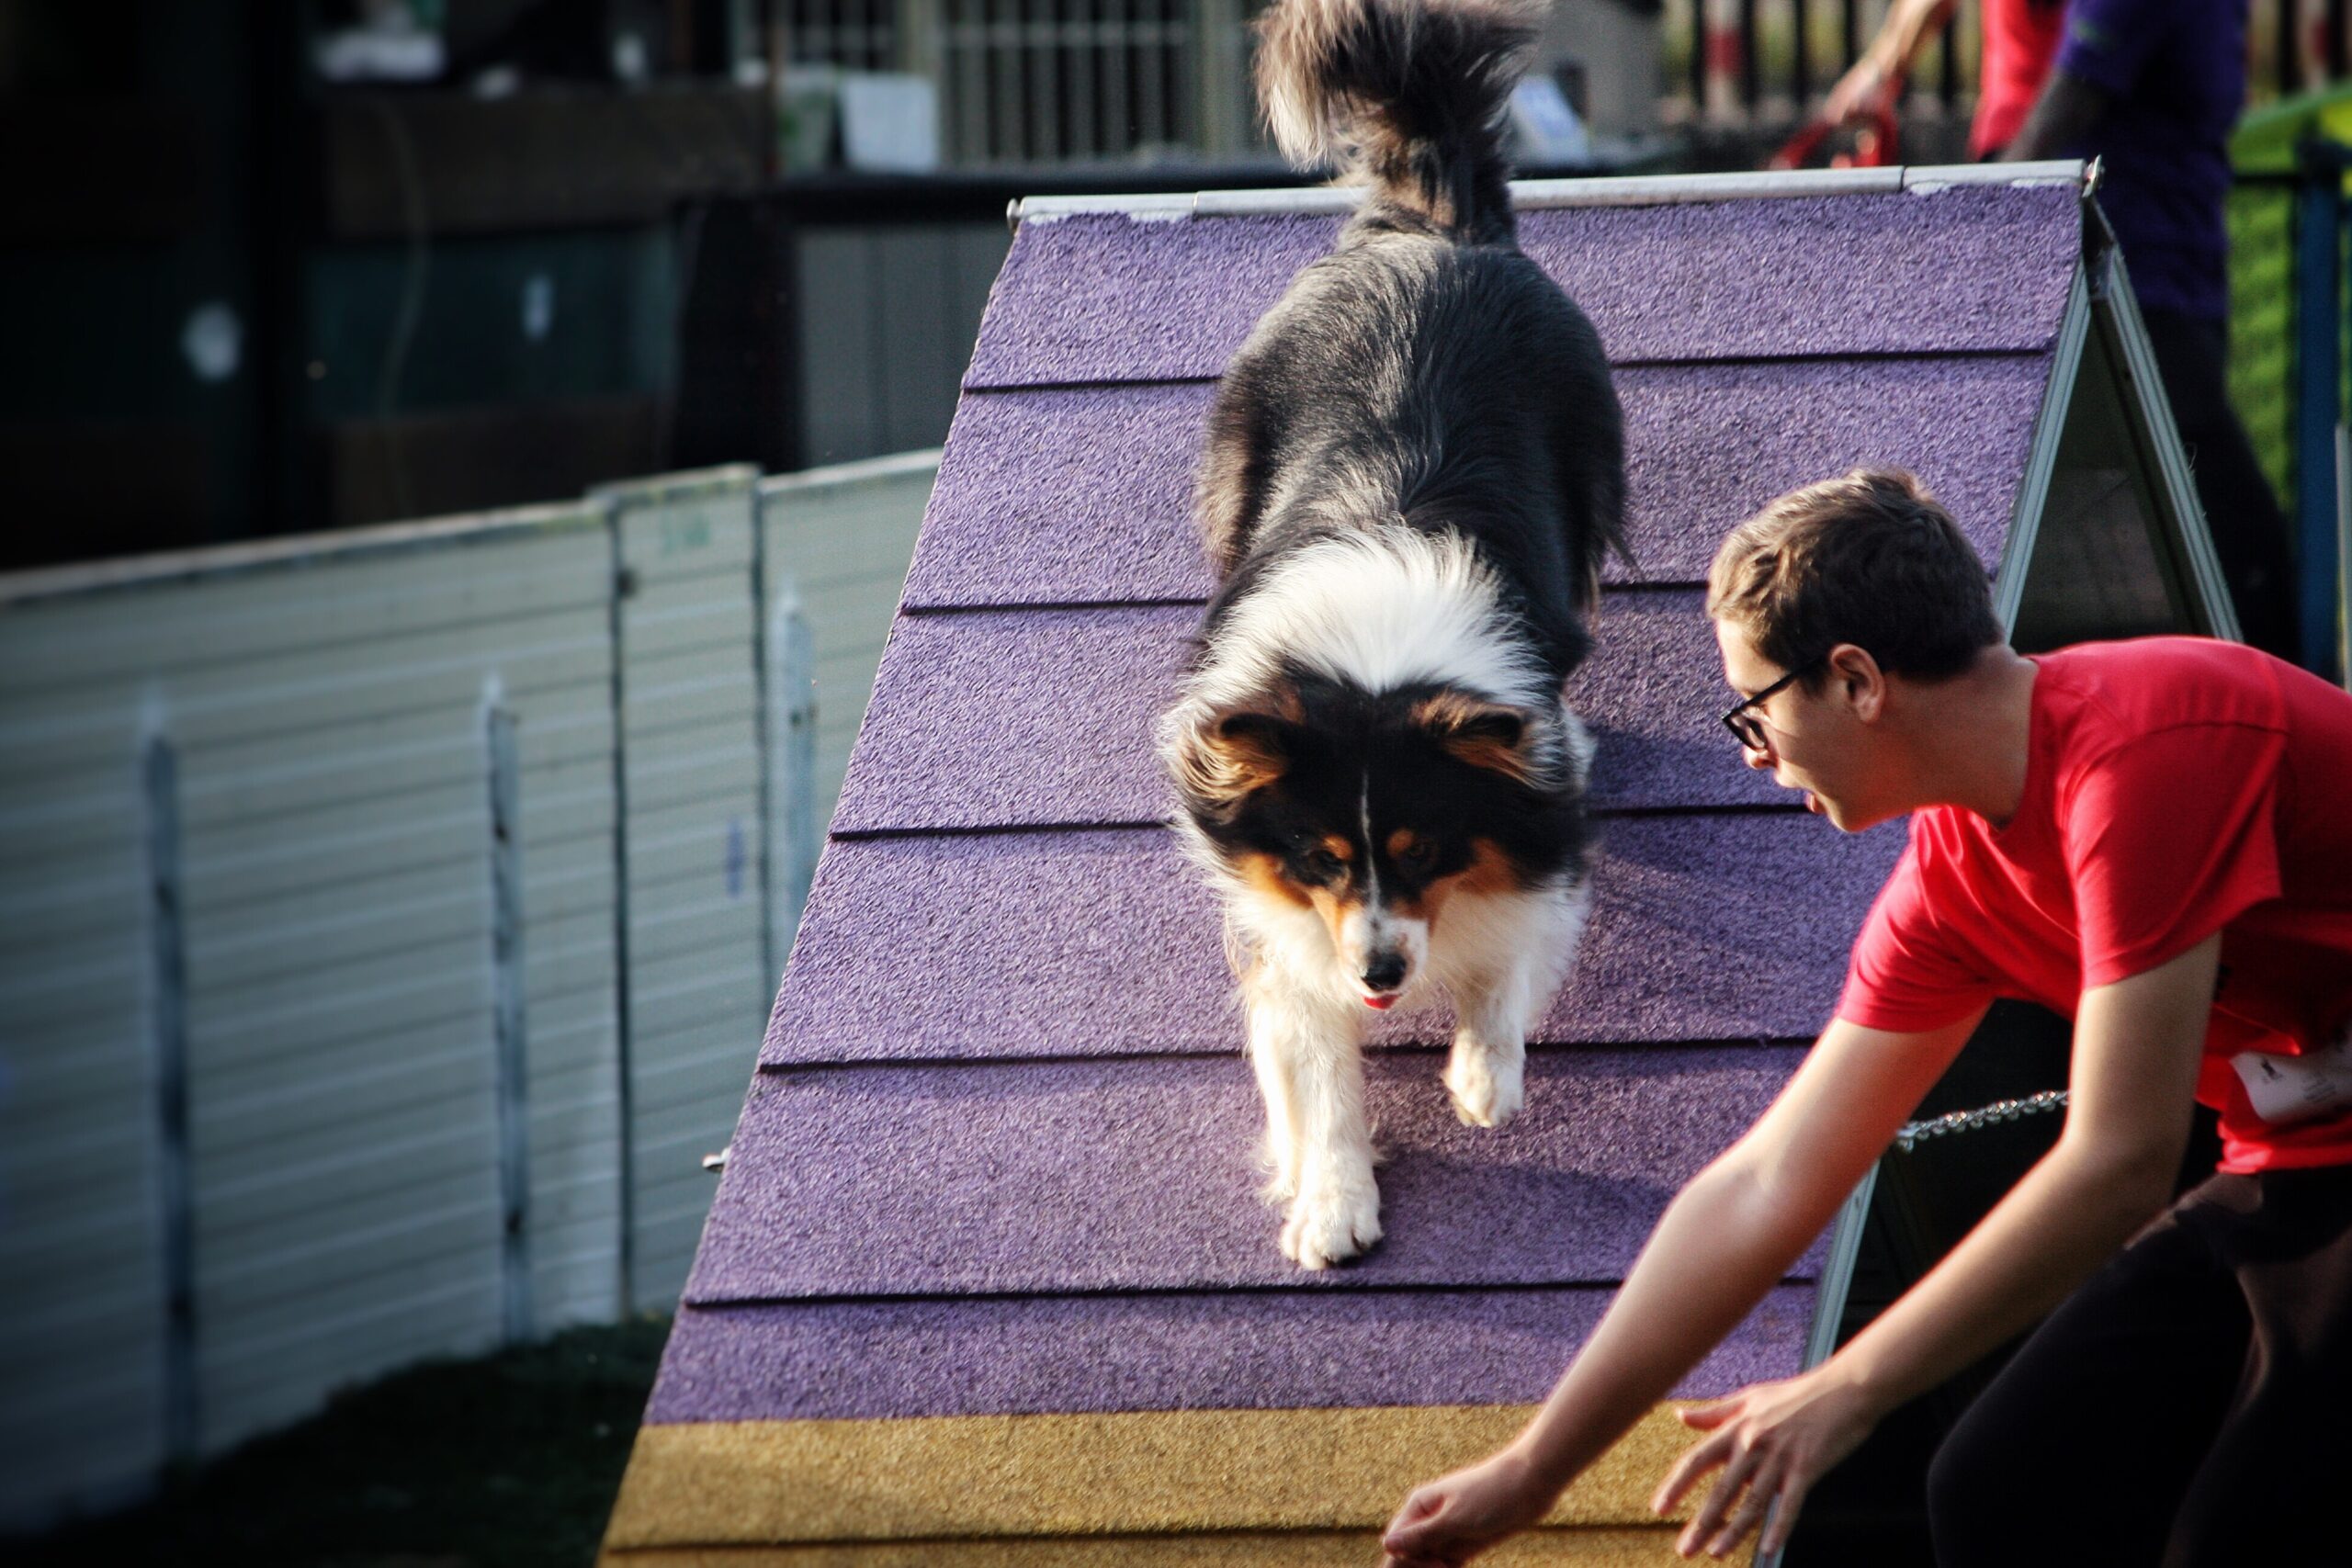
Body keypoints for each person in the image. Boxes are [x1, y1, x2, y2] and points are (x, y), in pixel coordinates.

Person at [1378, 469, 2352, 1566]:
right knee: (2001, 1485)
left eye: (1756, 709)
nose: (1753, 755)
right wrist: (1533, 1471)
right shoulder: (1949, 889)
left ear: (1853, 680)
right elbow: (1767, 1181)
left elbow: (2121, 1160)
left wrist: (1847, 1387)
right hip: (2305, 1153)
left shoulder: (2146, 748)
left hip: (2318, 1159)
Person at [1827, 1, 2302, 664]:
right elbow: (2083, 76)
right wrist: (2002, 208)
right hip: (2100, 247)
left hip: (2147, 246)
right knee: (2223, 532)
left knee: (2105, 516)